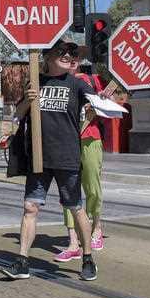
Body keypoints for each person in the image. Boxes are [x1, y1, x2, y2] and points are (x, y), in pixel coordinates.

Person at [0, 37, 98, 282]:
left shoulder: (77, 84)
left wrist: (96, 107)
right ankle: (22, 260)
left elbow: (97, 107)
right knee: (30, 207)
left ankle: (87, 259)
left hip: (67, 156)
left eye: (72, 53)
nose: (68, 56)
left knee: (76, 208)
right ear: (48, 56)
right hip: (38, 158)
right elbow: (18, 115)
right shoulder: (36, 81)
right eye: (62, 52)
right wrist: (27, 100)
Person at [55, 54, 108, 262]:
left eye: (75, 56)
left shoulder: (91, 81)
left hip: (91, 139)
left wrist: (100, 102)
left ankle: (97, 227)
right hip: (66, 143)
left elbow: (108, 108)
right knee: (69, 190)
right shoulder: (55, 84)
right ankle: (73, 242)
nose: (73, 60)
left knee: (93, 187)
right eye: (67, 56)